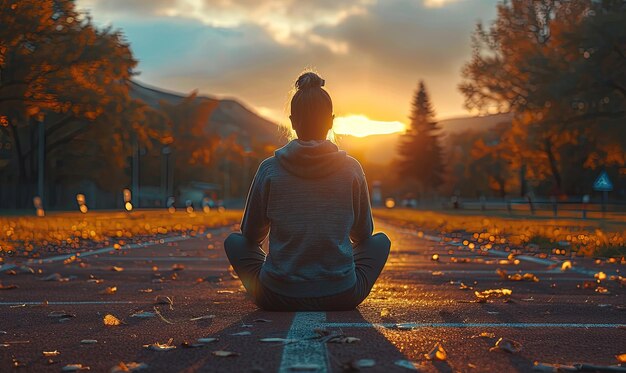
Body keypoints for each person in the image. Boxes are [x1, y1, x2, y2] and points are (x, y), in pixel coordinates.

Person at [223, 71, 391, 311]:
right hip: (342, 294)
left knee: (235, 242)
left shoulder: (269, 169)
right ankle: (332, 278)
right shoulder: (352, 169)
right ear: (331, 120)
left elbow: (250, 236)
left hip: (277, 295)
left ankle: (278, 278)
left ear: (292, 121)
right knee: (379, 242)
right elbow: (363, 235)